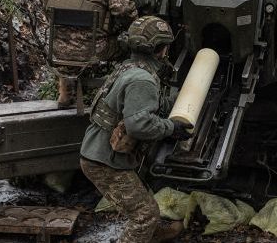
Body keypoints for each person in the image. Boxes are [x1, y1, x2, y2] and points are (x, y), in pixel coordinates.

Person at [79, 15, 192, 243]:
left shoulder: (130, 68)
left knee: (144, 203)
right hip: (105, 161)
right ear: (161, 49)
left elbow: (143, 105)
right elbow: (138, 124)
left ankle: (152, 236)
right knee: (144, 216)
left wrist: (181, 100)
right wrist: (172, 128)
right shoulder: (143, 79)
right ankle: (145, 233)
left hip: (99, 153)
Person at [45, 0, 137, 108]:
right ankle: (115, 94)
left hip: (57, 49)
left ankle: (65, 93)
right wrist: (132, 27)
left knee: (70, 41)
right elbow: (124, 10)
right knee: (128, 45)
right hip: (93, 51)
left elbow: (47, 8)